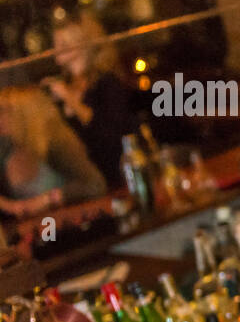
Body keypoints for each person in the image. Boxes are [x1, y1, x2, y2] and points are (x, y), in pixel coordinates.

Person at [46, 12, 140, 187]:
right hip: (81, 178)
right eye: (55, 44)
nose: (56, 49)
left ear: (83, 46)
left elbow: (111, 135)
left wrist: (70, 99)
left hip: (114, 176)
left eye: (63, 44)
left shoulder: (106, 83)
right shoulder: (64, 86)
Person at [0, 85, 107, 219]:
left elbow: (95, 184)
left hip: (68, 228)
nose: (1, 119)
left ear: (24, 114)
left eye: (3, 112)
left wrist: (48, 199)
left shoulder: (55, 143)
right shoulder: (8, 150)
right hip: (36, 231)